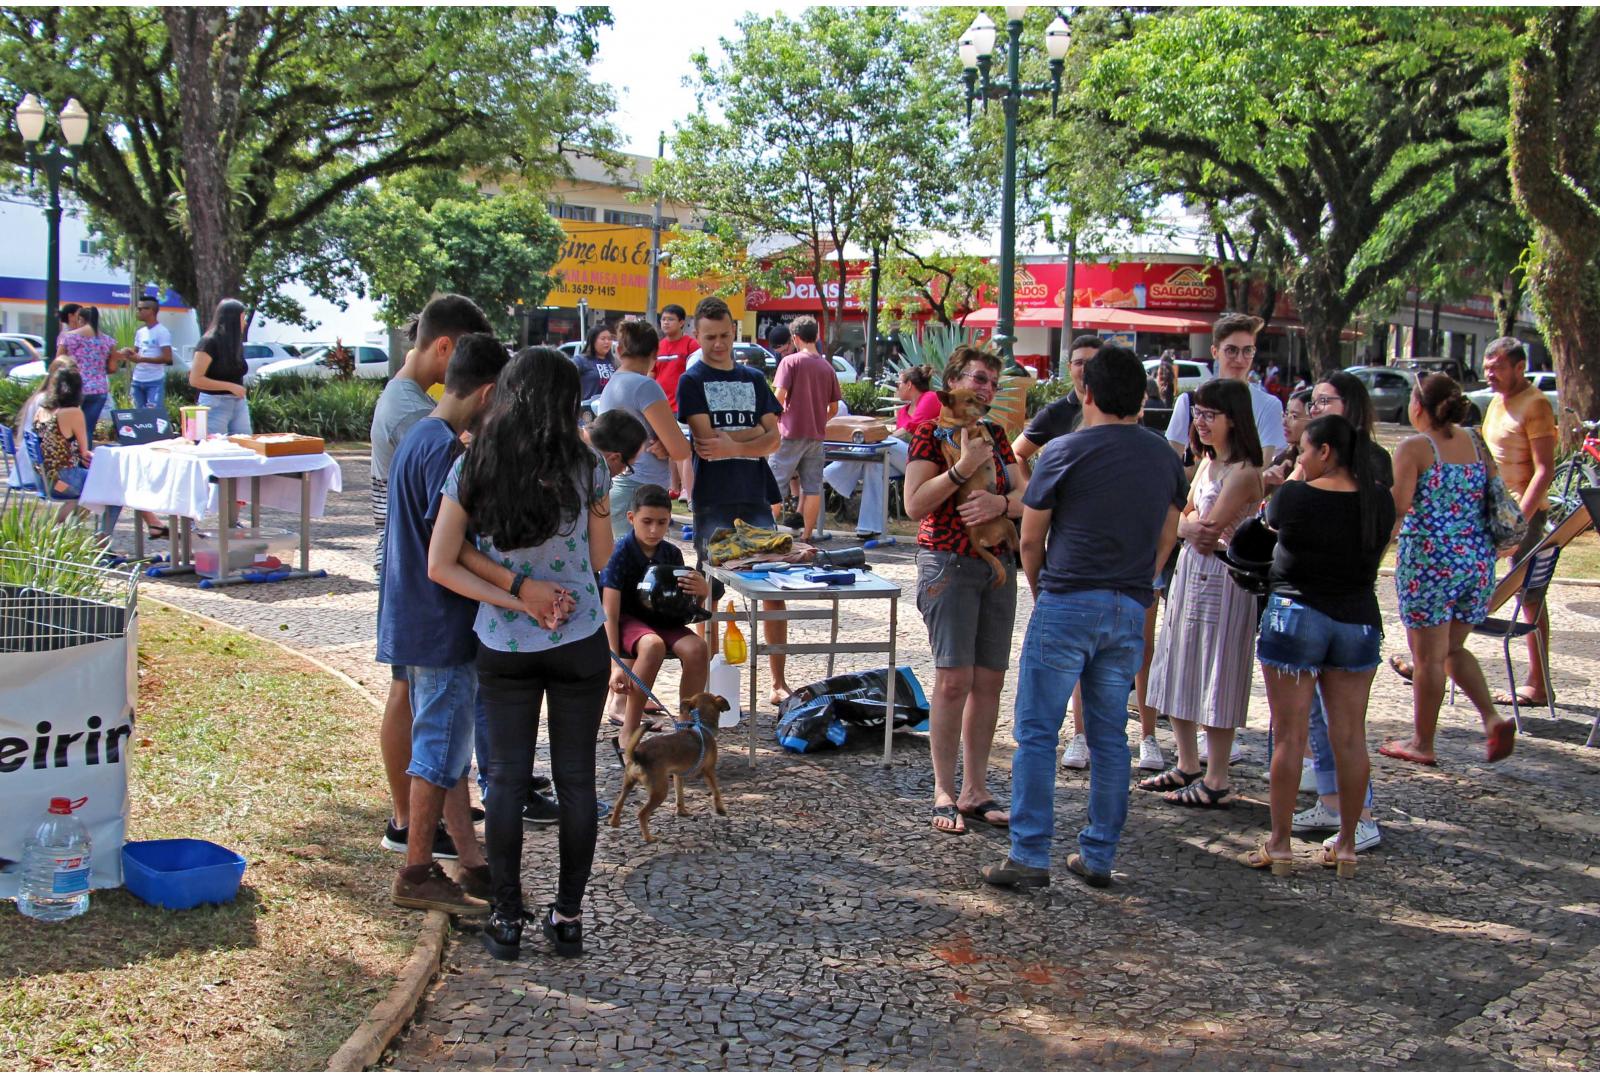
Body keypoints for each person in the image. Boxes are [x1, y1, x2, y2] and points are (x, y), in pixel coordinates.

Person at [428, 346, 614, 962]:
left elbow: (441, 564)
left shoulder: (473, 462)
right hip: (578, 637)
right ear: (567, 402)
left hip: (503, 644)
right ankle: (568, 918)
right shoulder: (589, 466)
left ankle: (506, 919)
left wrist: (513, 598)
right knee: (577, 782)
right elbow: (596, 557)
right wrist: (551, 592)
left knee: (503, 783)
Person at [981, 345, 1186, 889]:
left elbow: (1031, 535)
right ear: (1142, 398)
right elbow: (1170, 528)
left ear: (1086, 393)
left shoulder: (1063, 452)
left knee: (1037, 732)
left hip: (1068, 598)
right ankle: (1097, 854)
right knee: (1110, 738)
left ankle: (1028, 855)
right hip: (1127, 604)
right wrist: (1146, 577)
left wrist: (1040, 585)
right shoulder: (1165, 456)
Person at [378, 332, 513, 916]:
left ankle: (471, 862)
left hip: (416, 616)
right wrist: (517, 591)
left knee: (450, 746)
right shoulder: (446, 452)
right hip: (441, 624)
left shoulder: (420, 435)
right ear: (487, 394)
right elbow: (450, 550)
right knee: (438, 747)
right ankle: (417, 869)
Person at [1244, 414, 1394, 878]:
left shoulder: (1295, 495)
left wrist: (1291, 475)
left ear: (1325, 452)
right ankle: (1347, 845)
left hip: (1296, 614)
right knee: (1350, 737)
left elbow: (1266, 522)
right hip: (1357, 621)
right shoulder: (1379, 501)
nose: (1300, 458)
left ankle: (1281, 843)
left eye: (1305, 450)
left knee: (1289, 738)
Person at [904, 345, 1022, 834]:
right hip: (948, 562)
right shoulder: (929, 434)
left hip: (995, 564)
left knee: (990, 679)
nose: (985, 389)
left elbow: (1026, 494)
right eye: (977, 379)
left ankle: (976, 789)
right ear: (953, 382)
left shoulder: (996, 434)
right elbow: (913, 505)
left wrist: (1000, 501)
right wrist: (960, 468)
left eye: (992, 383)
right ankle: (943, 790)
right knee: (953, 679)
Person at [1142, 378, 1264, 808]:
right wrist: (1185, 525)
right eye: (1198, 413)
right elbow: (1184, 517)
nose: (1201, 422)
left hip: (1225, 581)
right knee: (1179, 661)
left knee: (1217, 669)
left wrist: (1184, 525)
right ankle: (1187, 761)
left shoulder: (1245, 471)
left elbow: (1206, 527)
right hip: (1191, 574)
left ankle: (1217, 776)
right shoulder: (1208, 464)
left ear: (1234, 418)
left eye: (1210, 415)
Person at [1380, 374, 1513, 767]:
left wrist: (1376, 546)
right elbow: (1494, 491)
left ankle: (1422, 741)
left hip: (1430, 563)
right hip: (1476, 560)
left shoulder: (1415, 447)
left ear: (1418, 406)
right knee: (1453, 648)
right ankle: (1492, 719)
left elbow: (1399, 507)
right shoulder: (1475, 439)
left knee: (1428, 659)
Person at [1287, 370, 1394, 850]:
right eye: (1311, 401)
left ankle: (1360, 815)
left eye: (1324, 401)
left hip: (1342, 605)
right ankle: (1331, 802)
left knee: (1344, 726)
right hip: (1324, 605)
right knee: (1312, 719)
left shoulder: (1369, 461)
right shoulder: (1312, 460)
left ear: (1349, 405)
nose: (1314, 408)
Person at [675, 296, 791, 701]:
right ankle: (706, 683)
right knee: (708, 590)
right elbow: (707, 442)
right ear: (697, 336)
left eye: (725, 335)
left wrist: (735, 444)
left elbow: (775, 439)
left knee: (773, 588)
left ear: (735, 331)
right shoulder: (692, 381)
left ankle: (778, 681)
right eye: (710, 337)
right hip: (712, 499)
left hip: (756, 493)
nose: (719, 344)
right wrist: (752, 440)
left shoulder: (754, 379)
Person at [601, 484, 712, 747]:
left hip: (662, 620)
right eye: (647, 521)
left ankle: (687, 727)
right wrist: (614, 662)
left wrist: (702, 592)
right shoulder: (619, 553)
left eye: (661, 523)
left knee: (697, 647)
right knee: (652, 645)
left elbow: (684, 604)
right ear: (631, 518)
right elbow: (609, 610)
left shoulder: (671, 553)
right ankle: (629, 727)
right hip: (629, 621)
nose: (654, 530)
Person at [1479, 337, 1557, 709]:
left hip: (1524, 514)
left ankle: (1538, 684)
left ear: (1518, 367)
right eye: (1487, 366)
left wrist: (1518, 523)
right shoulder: (1496, 401)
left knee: (1529, 596)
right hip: (1492, 511)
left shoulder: (1536, 404)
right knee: (1465, 580)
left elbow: (1544, 470)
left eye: (1496, 367)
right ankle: (1437, 660)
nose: (1488, 373)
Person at [823, 362, 939, 539]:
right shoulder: (903, 411)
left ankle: (837, 470)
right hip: (906, 459)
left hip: (924, 460)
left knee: (882, 442)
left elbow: (910, 430)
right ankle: (869, 527)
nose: (896, 388)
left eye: (898, 383)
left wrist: (878, 435)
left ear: (909, 385)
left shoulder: (929, 398)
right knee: (875, 464)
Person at [597, 319, 691, 532]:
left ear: (619, 350)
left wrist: (666, 446)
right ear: (654, 354)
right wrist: (671, 447)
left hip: (620, 484)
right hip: (640, 489)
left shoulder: (614, 383)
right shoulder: (645, 386)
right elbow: (681, 449)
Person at [1166, 313, 1286, 464]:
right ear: (1215, 352)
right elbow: (1171, 464)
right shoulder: (1189, 402)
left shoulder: (1269, 405)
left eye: (1247, 350)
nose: (1240, 359)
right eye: (1231, 350)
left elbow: (1264, 466)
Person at [769, 316, 841, 542]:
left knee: (772, 486)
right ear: (817, 336)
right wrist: (819, 419)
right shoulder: (827, 367)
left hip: (789, 433)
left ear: (795, 338)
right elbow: (834, 407)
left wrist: (772, 422)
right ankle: (807, 536)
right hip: (815, 436)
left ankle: (765, 533)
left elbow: (777, 399)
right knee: (812, 488)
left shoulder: (789, 363)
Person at [189, 298, 253, 437]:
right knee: (216, 447)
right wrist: (230, 386)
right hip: (215, 404)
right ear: (233, 319)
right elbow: (195, 379)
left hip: (238, 404)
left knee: (245, 444)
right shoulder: (209, 342)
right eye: (243, 318)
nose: (245, 322)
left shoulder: (235, 343)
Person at [654, 304, 699, 501]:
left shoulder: (690, 345)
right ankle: (673, 486)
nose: (666, 322)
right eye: (663, 319)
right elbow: (652, 373)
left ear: (682, 322)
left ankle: (686, 490)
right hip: (661, 406)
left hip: (682, 405)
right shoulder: (658, 346)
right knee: (669, 450)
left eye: (670, 319)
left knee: (682, 449)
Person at [55, 304, 116, 438]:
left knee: (68, 430)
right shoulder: (108, 341)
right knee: (87, 429)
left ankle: (70, 458)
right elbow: (112, 368)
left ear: (80, 319)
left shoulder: (68, 337)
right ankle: (85, 457)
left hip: (75, 387)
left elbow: (58, 362)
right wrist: (97, 367)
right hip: (99, 389)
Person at [124, 295, 173, 412]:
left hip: (154, 381)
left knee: (153, 415)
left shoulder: (162, 331)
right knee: (139, 416)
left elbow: (167, 357)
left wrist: (142, 359)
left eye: (141, 309)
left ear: (151, 311)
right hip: (137, 380)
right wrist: (128, 353)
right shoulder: (140, 332)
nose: (138, 311)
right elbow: (136, 353)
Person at [575, 324, 616, 399]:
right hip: (588, 408)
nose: (607, 342)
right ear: (593, 340)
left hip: (610, 408)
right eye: (603, 339)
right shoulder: (580, 360)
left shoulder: (615, 362)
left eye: (609, 339)